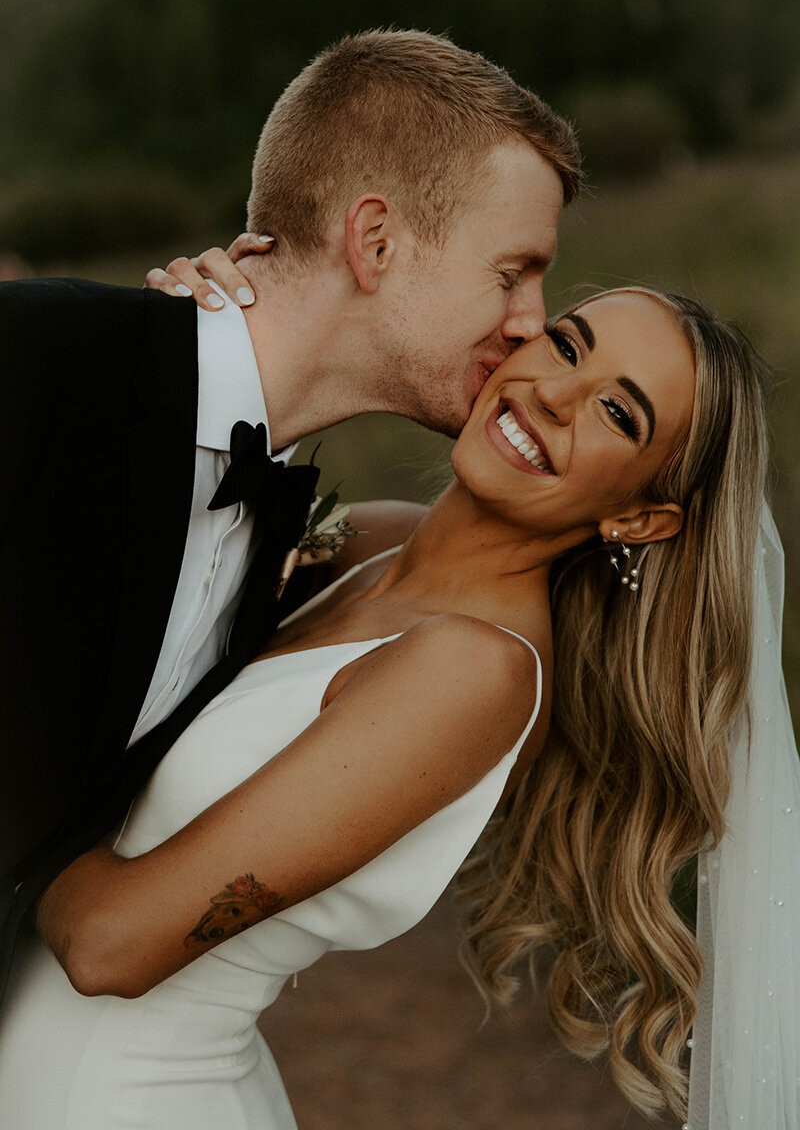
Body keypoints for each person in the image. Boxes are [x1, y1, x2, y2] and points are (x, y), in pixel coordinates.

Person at [0, 286, 787, 1130]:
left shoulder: (478, 672)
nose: (554, 395)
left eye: (618, 414)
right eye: (566, 345)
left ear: (640, 516)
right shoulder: (372, 540)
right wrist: (196, 330)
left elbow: (108, 946)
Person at [0, 28, 581, 999]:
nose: (532, 319)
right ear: (375, 240)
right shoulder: (33, 364)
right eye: (511, 270)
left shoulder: (290, 528)